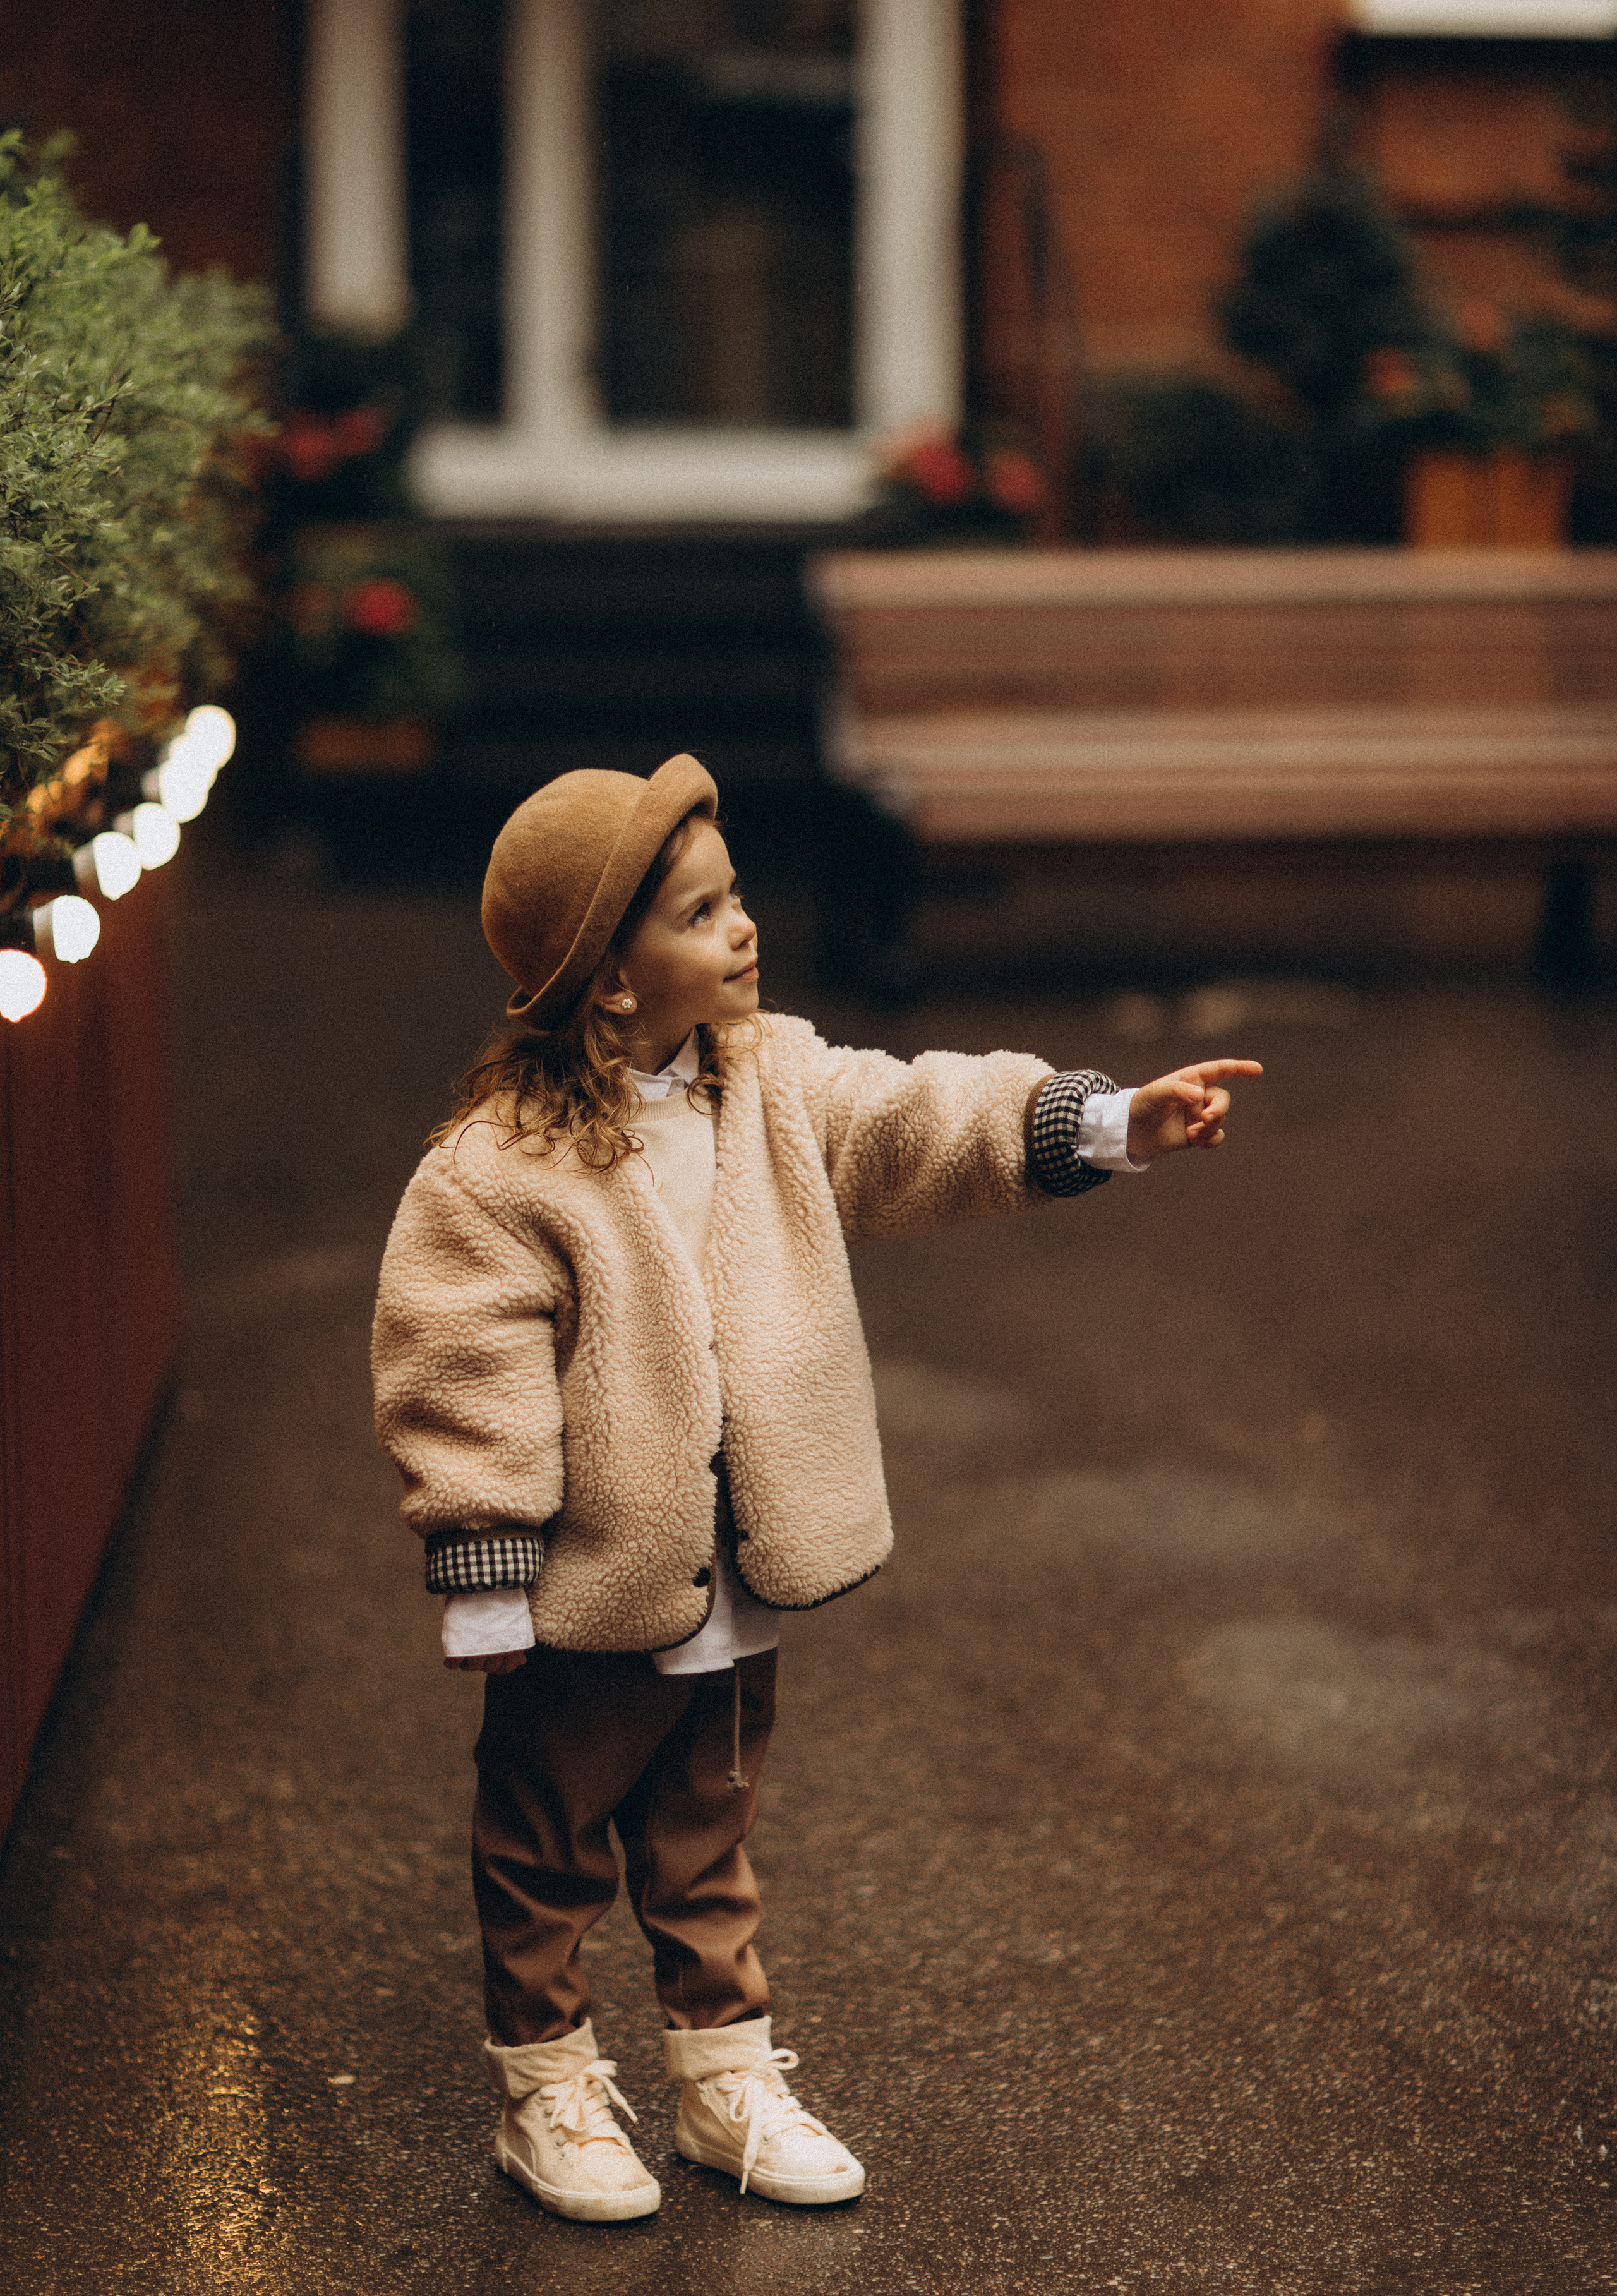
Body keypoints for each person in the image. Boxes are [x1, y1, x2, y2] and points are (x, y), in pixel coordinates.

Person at [371, 754, 1260, 2227]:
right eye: (699, 914)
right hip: (592, 1586)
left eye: (733, 898)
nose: (743, 928)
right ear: (607, 979)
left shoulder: (771, 1082)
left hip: (736, 1574)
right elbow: (461, 1363)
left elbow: (915, 1116)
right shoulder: (496, 1172)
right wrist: (485, 1568)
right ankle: (546, 2089)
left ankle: (720, 2080)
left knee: (704, 1839)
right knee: (545, 1848)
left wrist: (1103, 1125)